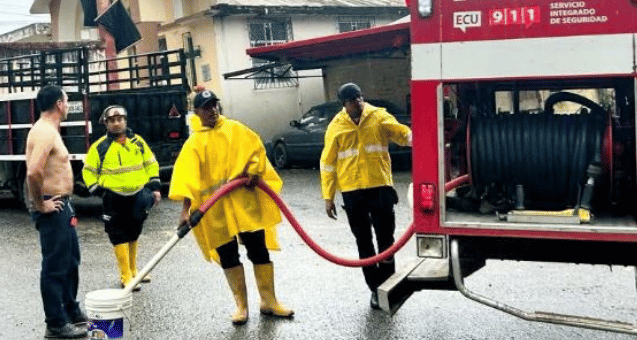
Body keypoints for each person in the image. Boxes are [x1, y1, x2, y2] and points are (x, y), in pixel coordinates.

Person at [169, 89, 294, 325]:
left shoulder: (236, 129)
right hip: (215, 209)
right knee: (228, 255)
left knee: (258, 249)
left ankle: (269, 301)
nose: (213, 111)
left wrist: (254, 173)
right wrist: (185, 210)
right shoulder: (194, 143)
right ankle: (241, 306)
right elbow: (187, 179)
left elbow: (256, 152)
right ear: (196, 112)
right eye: (206, 107)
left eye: (215, 105)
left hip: (243, 202)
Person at [321, 82, 411, 310]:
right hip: (353, 192)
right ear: (344, 104)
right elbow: (328, 163)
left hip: (379, 187)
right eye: (352, 100)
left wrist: (419, 138)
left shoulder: (378, 116)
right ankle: (374, 289)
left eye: (360, 97)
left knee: (386, 240)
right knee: (364, 243)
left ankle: (388, 287)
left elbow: (401, 134)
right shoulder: (336, 126)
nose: (358, 102)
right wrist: (328, 196)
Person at [26, 85, 87, 340]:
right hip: (53, 206)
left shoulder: (50, 130)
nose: (68, 104)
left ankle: (71, 311)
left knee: (71, 259)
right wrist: (41, 204)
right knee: (55, 266)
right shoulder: (44, 132)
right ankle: (55, 323)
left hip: (63, 204)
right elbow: (33, 171)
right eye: (67, 100)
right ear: (59, 104)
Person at [82, 105, 161, 289]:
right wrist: (99, 191)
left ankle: (135, 272)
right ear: (105, 123)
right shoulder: (100, 147)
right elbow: (88, 172)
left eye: (120, 119)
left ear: (125, 121)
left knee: (134, 232)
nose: (117, 123)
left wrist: (155, 188)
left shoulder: (138, 142)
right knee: (118, 235)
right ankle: (126, 276)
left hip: (137, 195)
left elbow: (151, 163)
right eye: (112, 120)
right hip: (114, 198)